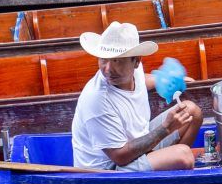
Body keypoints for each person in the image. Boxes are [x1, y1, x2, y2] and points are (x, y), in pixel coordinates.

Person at [72, 21, 203, 171]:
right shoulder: (96, 98)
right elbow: (119, 156)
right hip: (107, 170)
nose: (108, 69)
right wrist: (166, 128)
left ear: (136, 61)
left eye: (116, 60)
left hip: (135, 147)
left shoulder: (133, 71)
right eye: (103, 59)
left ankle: (170, 176)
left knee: (192, 112)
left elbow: (140, 79)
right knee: (183, 156)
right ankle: (171, 174)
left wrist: (162, 79)